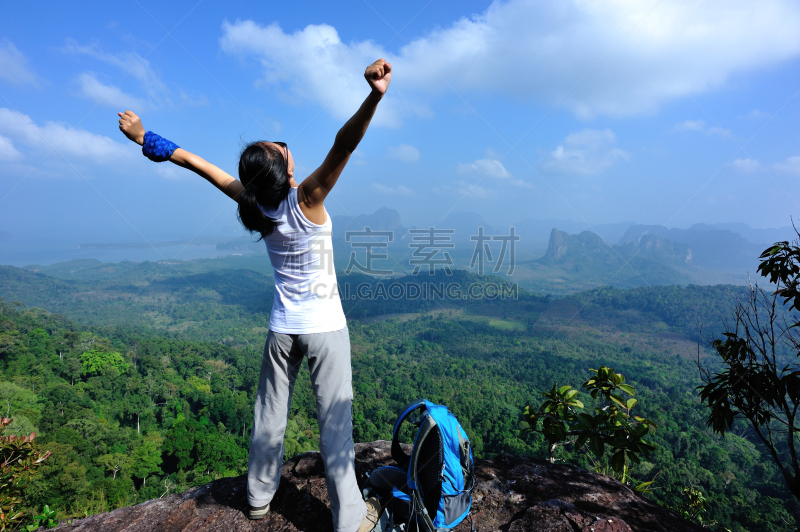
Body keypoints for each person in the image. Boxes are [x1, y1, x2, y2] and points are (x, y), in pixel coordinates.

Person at [117, 58, 392, 532]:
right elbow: (344, 144)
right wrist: (374, 95)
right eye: (283, 150)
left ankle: (259, 499)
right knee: (335, 426)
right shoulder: (307, 198)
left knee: (269, 415)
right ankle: (349, 517)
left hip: (282, 328)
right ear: (284, 170)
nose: (288, 148)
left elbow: (192, 161)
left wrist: (144, 138)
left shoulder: (251, 200)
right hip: (325, 328)